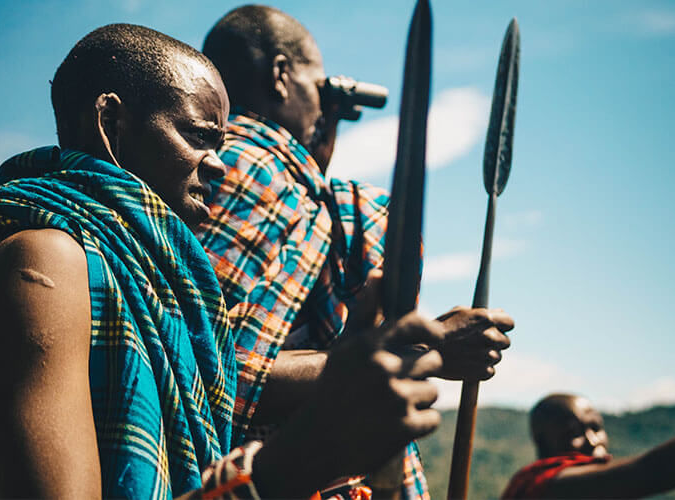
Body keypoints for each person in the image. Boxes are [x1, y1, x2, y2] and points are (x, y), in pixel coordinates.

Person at [0, 23, 449, 499]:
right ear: (110, 124)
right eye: (197, 135)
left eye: (220, 143)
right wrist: (309, 449)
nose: (217, 162)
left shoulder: (154, 280)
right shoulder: (41, 265)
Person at [199, 6, 515, 498]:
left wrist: (315, 159)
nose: (326, 104)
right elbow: (209, 376)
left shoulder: (219, 173)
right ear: (281, 76)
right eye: (318, 84)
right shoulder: (253, 167)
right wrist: (424, 351)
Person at [501, 393, 675, 498]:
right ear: (543, 442)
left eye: (596, 427)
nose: (592, 441)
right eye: (573, 433)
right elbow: (651, 472)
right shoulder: (544, 486)